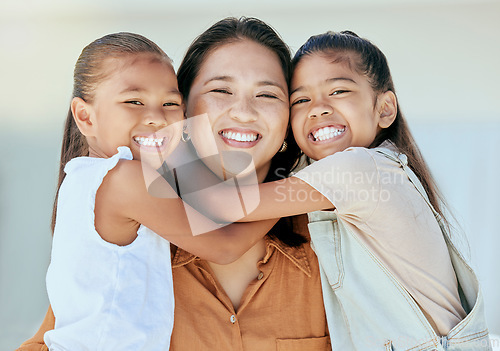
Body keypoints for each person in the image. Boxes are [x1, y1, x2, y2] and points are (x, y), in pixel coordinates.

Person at [17, 19, 331, 351]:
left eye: (267, 94)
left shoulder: (333, 237)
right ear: (189, 107)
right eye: (220, 90)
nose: (243, 112)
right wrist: (311, 187)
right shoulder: (136, 220)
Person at [198, 30, 492, 350]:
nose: (318, 108)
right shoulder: (382, 170)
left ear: (384, 109)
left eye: (338, 90)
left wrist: (167, 139)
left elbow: (223, 204)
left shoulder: (357, 170)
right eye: (301, 99)